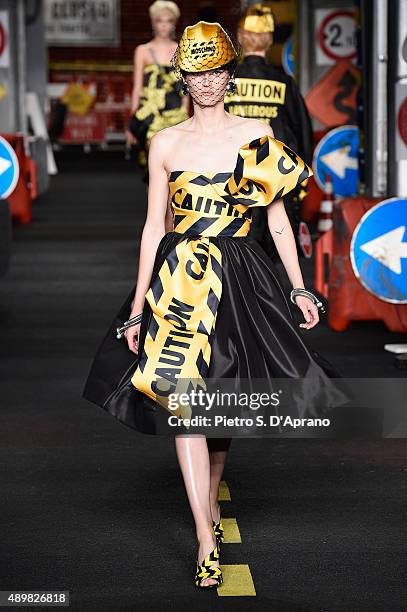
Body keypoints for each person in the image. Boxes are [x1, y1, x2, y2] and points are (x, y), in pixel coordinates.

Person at [83, 21, 348, 590]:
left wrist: (300, 287)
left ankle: (210, 504)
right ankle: (205, 535)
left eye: (216, 71)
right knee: (187, 405)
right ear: (186, 78)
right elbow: (154, 227)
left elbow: (277, 222)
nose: (207, 82)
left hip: (240, 276)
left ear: (230, 75)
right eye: (197, 73)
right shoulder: (167, 142)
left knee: (223, 403)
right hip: (179, 281)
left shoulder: (259, 133)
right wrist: (137, 305)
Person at [224, 3, 314, 262]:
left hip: (232, 175)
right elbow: (302, 132)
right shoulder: (283, 82)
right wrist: (300, 184)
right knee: (273, 248)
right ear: (270, 39)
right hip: (274, 177)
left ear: (240, 37)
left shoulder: (227, 81)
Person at [127, 0, 189, 181]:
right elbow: (137, 86)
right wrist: (132, 121)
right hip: (150, 115)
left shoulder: (181, 49)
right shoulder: (143, 51)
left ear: (174, 23)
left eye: (168, 21)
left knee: (176, 165)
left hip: (176, 114)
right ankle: (156, 204)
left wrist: (185, 110)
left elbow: (186, 83)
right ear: (153, 23)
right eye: (160, 20)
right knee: (152, 165)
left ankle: (170, 207)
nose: (164, 25)